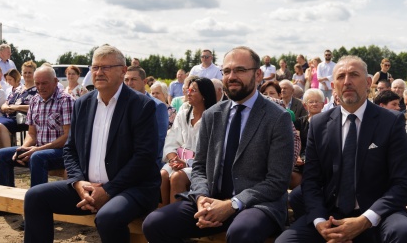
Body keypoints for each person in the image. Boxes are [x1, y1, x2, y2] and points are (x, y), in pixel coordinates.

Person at [142, 46, 294, 243]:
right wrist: (201, 198)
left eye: (240, 70)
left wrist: (232, 204)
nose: (232, 76)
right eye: (227, 71)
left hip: (257, 204)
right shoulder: (212, 115)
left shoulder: (277, 118)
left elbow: (277, 180)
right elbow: (199, 167)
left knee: (241, 233)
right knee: (155, 223)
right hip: (211, 198)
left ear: (258, 75)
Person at [23, 45, 161, 243]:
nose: (98, 73)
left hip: (131, 188)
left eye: (106, 67)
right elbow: (70, 149)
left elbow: (144, 157)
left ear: (123, 71)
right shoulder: (82, 103)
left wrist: (108, 190)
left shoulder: (141, 105)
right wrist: (78, 182)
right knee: (35, 196)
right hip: (86, 187)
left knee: (107, 217)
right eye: (95, 67)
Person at [276, 55, 407, 243]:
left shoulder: (390, 122)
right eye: (341, 77)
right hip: (331, 214)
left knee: (402, 232)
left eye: (354, 75)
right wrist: (320, 222)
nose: (347, 82)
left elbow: (404, 183)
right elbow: (311, 181)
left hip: (378, 214)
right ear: (333, 87)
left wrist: (364, 220)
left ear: (368, 83)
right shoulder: (319, 124)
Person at [0, 66, 74, 189]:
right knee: (1, 155)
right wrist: (23, 149)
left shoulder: (66, 100)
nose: (40, 87)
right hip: (39, 149)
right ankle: (7, 201)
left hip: (62, 151)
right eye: (37, 83)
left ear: (55, 82)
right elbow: (32, 133)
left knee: (37, 157)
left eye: (44, 83)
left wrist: (37, 150)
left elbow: (67, 136)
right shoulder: (35, 100)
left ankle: (36, 201)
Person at [160, 77, 217, 206]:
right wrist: (173, 159)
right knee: (162, 175)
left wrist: (188, 162)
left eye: (194, 90)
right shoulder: (183, 113)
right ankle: (161, 215)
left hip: (199, 166)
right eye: (188, 89)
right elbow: (171, 138)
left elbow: (211, 152)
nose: (188, 93)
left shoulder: (213, 118)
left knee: (177, 177)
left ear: (204, 95)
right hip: (178, 160)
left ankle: (176, 219)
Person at [124, 66, 169, 169]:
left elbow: (158, 141)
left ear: (144, 82)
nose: (129, 83)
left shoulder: (157, 106)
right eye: (126, 79)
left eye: (133, 79)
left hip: (146, 166)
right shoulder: (119, 104)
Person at [0, 62, 37, 149]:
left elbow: (36, 107)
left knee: (0, 125)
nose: (27, 75)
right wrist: (5, 107)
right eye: (25, 72)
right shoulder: (18, 88)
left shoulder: (37, 89)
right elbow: (6, 102)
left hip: (24, 118)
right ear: (21, 74)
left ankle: (6, 154)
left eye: (30, 72)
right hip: (9, 116)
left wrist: (16, 107)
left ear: (34, 73)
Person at [291, 88, 324, 189]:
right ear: (305, 105)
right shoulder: (299, 123)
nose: (314, 104)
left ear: (323, 104)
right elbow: (296, 141)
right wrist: (297, 156)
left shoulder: (329, 122)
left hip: (320, 160)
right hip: (301, 161)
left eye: (317, 101)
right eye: (311, 102)